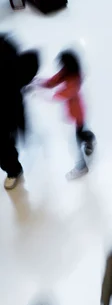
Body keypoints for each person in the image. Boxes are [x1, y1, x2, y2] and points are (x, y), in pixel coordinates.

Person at [39, 50, 96, 179]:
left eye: (62, 63)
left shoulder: (74, 78)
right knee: (81, 133)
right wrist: (40, 83)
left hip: (78, 113)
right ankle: (89, 140)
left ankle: (82, 167)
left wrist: (44, 95)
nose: (60, 66)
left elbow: (65, 93)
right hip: (75, 112)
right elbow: (53, 81)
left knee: (76, 140)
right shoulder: (67, 72)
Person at [0, 35, 39, 190]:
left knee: (4, 147)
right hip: (11, 108)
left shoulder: (4, 47)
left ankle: (14, 171)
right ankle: (13, 168)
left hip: (6, 112)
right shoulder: (5, 44)